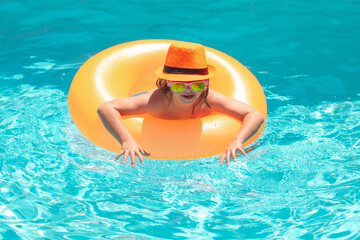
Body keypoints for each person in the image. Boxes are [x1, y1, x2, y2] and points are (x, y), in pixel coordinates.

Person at [97, 41, 264, 167]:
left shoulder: (209, 99)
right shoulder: (155, 101)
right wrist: (127, 140)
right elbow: (107, 107)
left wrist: (236, 140)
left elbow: (255, 115)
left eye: (197, 85)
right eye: (179, 85)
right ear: (168, 83)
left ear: (206, 83)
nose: (188, 91)